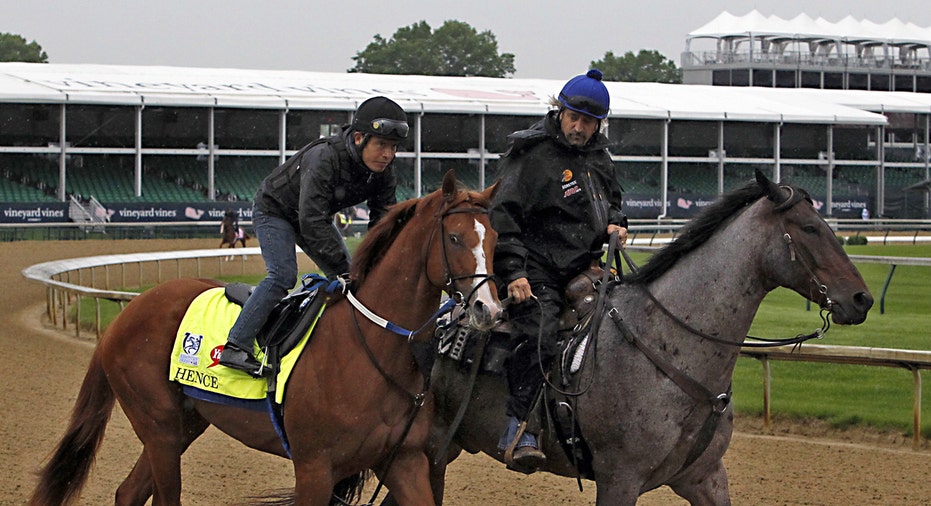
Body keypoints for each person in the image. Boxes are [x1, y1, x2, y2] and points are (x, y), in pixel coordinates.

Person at [489, 69, 629, 473]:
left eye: (588, 122)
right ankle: (519, 427)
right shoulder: (531, 155)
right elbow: (503, 216)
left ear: (598, 124)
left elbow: (613, 203)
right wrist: (514, 272)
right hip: (533, 271)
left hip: (584, 267)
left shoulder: (600, 159)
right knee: (540, 330)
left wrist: (617, 223)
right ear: (559, 111)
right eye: (573, 118)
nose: (579, 127)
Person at [219, 96, 409, 376]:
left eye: (393, 148)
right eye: (381, 145)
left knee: (353, 283)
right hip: (275, 211)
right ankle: (236, 344)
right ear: (359, 138)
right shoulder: (325, 157)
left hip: (311, 216)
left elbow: (382, 222)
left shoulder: (384, 172)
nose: (388, 155)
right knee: (283, 275)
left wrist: (377, 263)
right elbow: (312, 221)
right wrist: (345, 269)